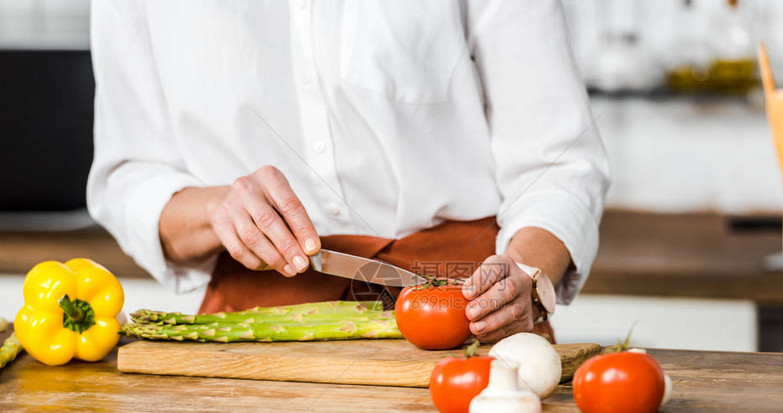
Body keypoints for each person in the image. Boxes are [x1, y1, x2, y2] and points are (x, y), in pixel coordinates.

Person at [87, 1, 609, 343]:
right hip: (253, 339)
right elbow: (128, 175)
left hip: (469, 320)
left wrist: (528, 274)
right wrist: (214, 208)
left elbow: (559, 160)